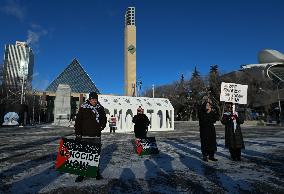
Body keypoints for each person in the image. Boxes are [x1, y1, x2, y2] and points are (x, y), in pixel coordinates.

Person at [74, 91, 107, 182]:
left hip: (96, 136)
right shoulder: (83, 108)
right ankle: (81, 174)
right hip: (85, 136)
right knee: (84, 155)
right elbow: (78, 122)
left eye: (95, 99)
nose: (94, 101)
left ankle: (96, 172)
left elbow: (104, 119)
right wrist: (78, 134)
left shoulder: (100, 108)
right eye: (92, 99)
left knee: (95, 155)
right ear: (89, 99)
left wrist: (101, 126)